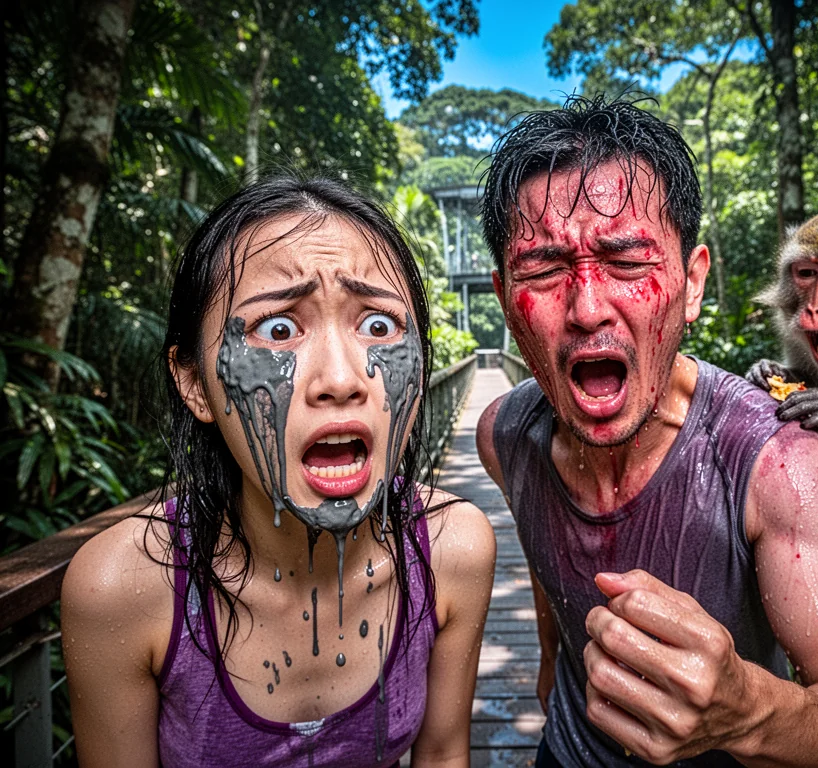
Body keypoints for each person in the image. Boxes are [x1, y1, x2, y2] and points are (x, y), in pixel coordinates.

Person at [476, 96, 818, 767]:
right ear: (507, 302)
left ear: (692, 281)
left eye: (627, 261)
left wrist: (750, 711)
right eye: (544, 269)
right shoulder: (503, 435)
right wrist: (551, 657)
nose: (589, 307)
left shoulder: (780, 466)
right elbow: (544, 553)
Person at [61, 176, 496, 768]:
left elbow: (444, 754)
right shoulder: (124, 589)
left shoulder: (452, 550)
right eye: (278, 330)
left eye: (378, 326)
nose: (342, 378)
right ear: (194, 382)